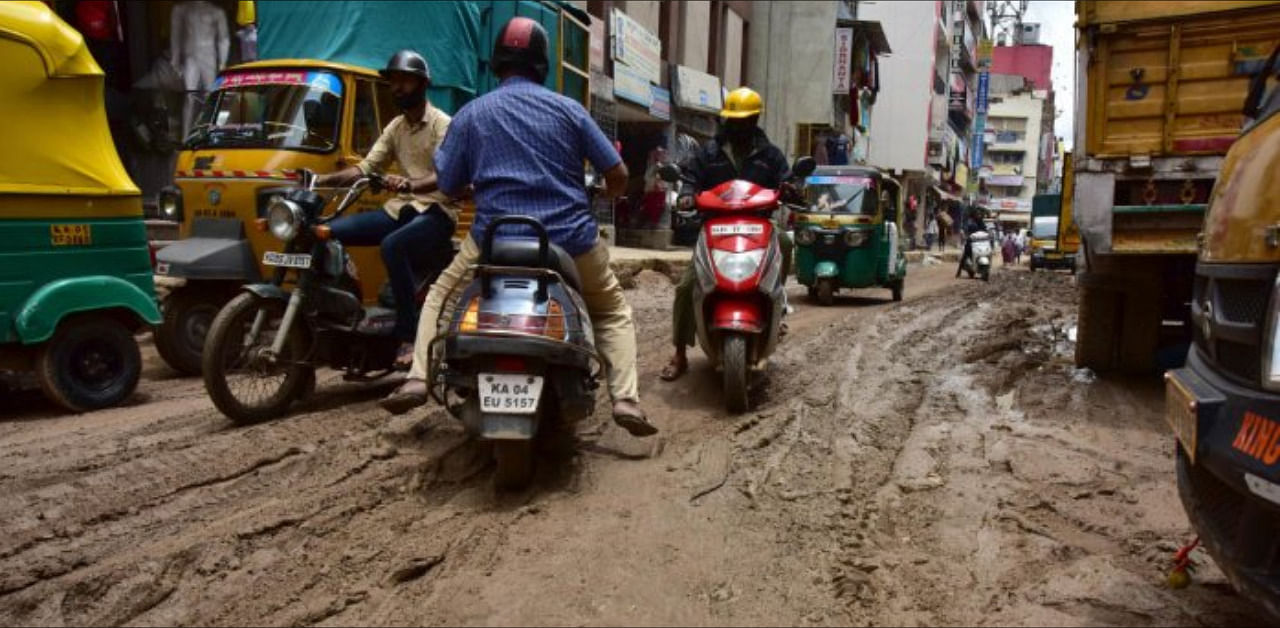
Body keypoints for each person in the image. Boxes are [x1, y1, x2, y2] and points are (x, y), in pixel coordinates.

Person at [378, 18, 657, 437]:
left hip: (495, 239)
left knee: (440, 296)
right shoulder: (569, 110)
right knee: (612, 311)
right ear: (542, 64)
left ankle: (418, 376)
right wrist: (603, 194)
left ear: (497, 64)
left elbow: (449, 184)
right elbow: (617, 172)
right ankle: (626, 399)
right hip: (571, 240)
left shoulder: (473, 113)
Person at [315, 50, 458, 367]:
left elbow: (446, 176)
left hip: (436, 213)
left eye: (404, 81)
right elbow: (364, 169)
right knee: (326, 232)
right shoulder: (396, 127)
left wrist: (409, 184)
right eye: (393, 81)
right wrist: (319, 179)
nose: (397, 87)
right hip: (400, 210)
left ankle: (406, 336)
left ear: (422, 84)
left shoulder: (442, 125)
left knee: (393, 246)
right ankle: (336, 311)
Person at [659, 87, 793, 382]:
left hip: (758, 225)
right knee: (685, 287)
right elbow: (691, 177)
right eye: (733, 120)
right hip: (715, 227)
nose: (738, 126)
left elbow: (785, 179)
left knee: (785, 241)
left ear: (755, 119)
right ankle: (679, 353)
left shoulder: (770, 155)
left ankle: (777, 300)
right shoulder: (709, 152)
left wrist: (792, 188)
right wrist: (688, 194)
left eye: (744, 120)